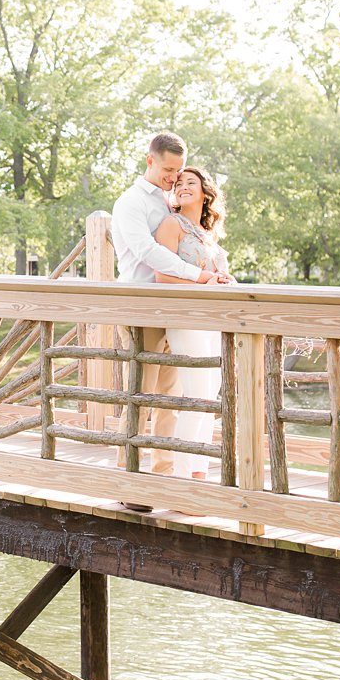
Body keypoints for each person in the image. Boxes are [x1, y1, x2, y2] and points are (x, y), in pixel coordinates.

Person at [109, 132, 223, 477]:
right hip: (140, 306)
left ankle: (163, 474)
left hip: (172, 312)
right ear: (150, 160)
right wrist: (200, 277)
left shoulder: (168, 200)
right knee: (140, 395)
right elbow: (149, 252)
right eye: (168, 169)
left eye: (178, 170)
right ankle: (127, 478)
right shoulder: (131, 202)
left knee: (170, 398)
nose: (174, 177)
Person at [153, 167, 235, 479]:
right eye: (179, 183)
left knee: (211, 393)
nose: (184, 186)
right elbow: (162, 275)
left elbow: (214, 275)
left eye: (192, 183)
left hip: (211, 319)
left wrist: (225, 281)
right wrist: (205, 282)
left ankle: (199, 471)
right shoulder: (171, 225)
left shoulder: (208, 234)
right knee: (196, 394)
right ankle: (183, 475)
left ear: (205, 193)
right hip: (185, 317)